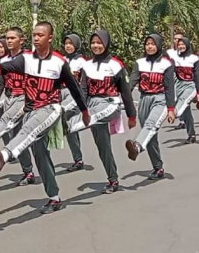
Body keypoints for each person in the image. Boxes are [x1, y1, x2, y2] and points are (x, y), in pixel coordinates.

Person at [0, 21, 89, 214]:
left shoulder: (59, 62)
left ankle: (4, 156)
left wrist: (84, 112)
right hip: (31, 109)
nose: (36, 38)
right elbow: (7, 66)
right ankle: (54, 197)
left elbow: (74, 88)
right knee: (40, 155)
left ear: (50, 37)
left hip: (51, 108)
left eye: (40, 35)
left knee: (27, 130)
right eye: (34, 35)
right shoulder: (26, 60)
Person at [76, 30, 137, 193]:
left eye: (99, 42)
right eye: (93, 42)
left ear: (106, 43)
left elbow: (125, 92)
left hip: (110, 104)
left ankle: (71, 126)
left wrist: (132, 115)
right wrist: (82, 109)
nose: (96, 46)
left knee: (80, 124)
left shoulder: (116, 65)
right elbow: (83, 91)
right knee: (103, 146)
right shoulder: (86, 66)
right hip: (93, 105)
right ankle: (113, 179)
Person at [125, 34, 176, 179]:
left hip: (160, 100)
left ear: (159, 45)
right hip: (144, 99)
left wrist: (171, 109)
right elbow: (132, 83)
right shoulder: (140, 63)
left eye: (153, 44)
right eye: (147, 44)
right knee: (150, 135)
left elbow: (169, 87)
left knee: (150, 125)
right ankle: (158, 168)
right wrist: (124, 98)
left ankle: (137, 146)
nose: (150, 46)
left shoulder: (167, 63)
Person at [0, 27, 35, 186]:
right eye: (7, 38)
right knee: (17, 138)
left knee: (6, 121)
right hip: (9, 98)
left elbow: (34, 81)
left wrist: (28, 103)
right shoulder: (4, 61)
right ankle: (28, 172)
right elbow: (0, 83)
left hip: (23, 98)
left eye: (12, 38)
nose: (9, 41)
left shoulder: (29, 58)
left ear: (21, 40)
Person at [62, 34, 88, 172]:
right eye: (66, 43)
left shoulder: (82, 61)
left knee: (63, 113)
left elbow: (84, 82)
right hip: (61, 93)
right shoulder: (62, 59)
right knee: (69, 128)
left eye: (71, 43)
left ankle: (78, 159)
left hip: (74, 95)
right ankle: (78, 159)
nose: (68, 46)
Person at [166, 35, 198, 143]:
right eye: (179, 45)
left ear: (187, 45)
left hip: (191, 85)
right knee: (186, 111)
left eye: (183, 44)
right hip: (179, 84)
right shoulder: (175, 58)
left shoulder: (194, 58)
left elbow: (197, 76)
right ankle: (191, 135)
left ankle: (175, 113)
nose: (181, 46)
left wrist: (198, 92)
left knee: (182, 103)